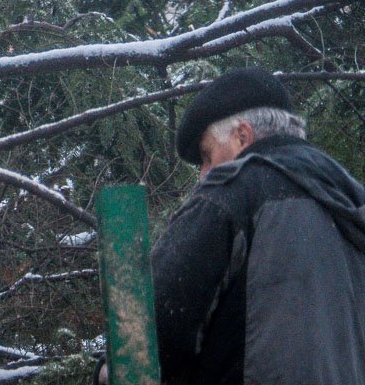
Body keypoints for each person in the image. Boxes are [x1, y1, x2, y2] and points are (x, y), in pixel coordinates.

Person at [150, 67, 365, 384]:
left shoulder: (234, 191)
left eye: (207, 156)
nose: (204, 175)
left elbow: (155, 323)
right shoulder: (350, 200)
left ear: (242, 136)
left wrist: (104, 369)